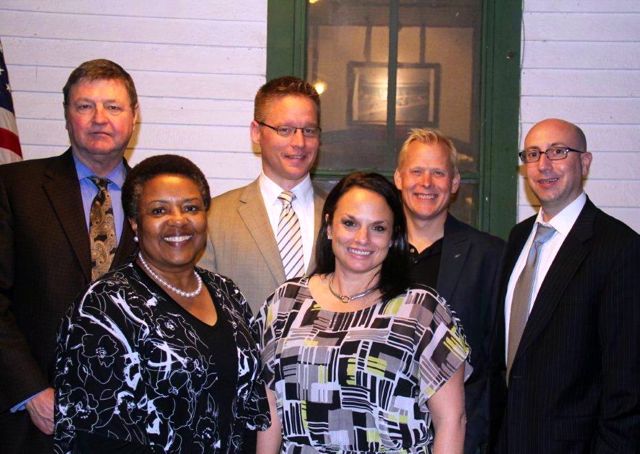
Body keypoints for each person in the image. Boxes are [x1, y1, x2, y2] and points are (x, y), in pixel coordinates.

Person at [54, 155, 270, 453]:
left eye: (191, 208)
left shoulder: (226, 293)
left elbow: (250, 411)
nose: (178, 220)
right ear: (134, 223)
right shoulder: (104, 308)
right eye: (159, 210)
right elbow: (98, 437)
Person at [254, 172, 472, 453]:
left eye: (378, 228)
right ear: (330, 226)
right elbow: (268, 411)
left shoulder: (421, 311)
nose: (362, 238)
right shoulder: (285, 303)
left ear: (394, 237)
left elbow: (452, 420)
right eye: (349, 223)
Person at [0, 59, 139, 453]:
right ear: (67, 116)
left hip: (132, 425)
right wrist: (30, 392)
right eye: (84, 106)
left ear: (133, 117)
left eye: (113, 107)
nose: (100, 118)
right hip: (36, 422)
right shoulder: (15, 188)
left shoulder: (156, 200)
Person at [491, 118, 640, 453]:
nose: (544, 165)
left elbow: (627, 381)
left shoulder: (619, 248)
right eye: (532, 154)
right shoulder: (517, 239)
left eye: (558, 152)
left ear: (584, 162)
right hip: (507, 440)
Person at [394, 128, 504, 454]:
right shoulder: (372, 253)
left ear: (454, 183)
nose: (426, 182)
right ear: (399, 178)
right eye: (416, 171)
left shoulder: (490, 256)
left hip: (462, 436)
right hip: (381, 435)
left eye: (438, 172)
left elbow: (496, 367)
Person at [198, 76, 326, 314]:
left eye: (309, 130)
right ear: (256, 133)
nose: (299, 142)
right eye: (284, 130)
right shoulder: (213, 217)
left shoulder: (341, 216)